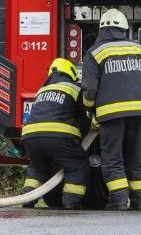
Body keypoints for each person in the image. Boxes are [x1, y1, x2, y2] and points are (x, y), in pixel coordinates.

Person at [81, 9, 141, 210]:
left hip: (110, 115)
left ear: (101, 29)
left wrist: (90, 111)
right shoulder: (139, 49)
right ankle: (138, 201)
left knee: (112, 158)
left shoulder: (95, 52)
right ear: (124, 29)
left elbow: (90, 88)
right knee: (137, 157)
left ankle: (119, 201)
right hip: (140, 114)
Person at [21, 58, 90, 209]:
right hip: (58, 137)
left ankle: (27, 199)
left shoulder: (42, 90)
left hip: (30, 136)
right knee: (77, 165)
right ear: (71, 72)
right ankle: (71, 203)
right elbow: (83, 118)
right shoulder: (74, 88)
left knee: (38, 167)